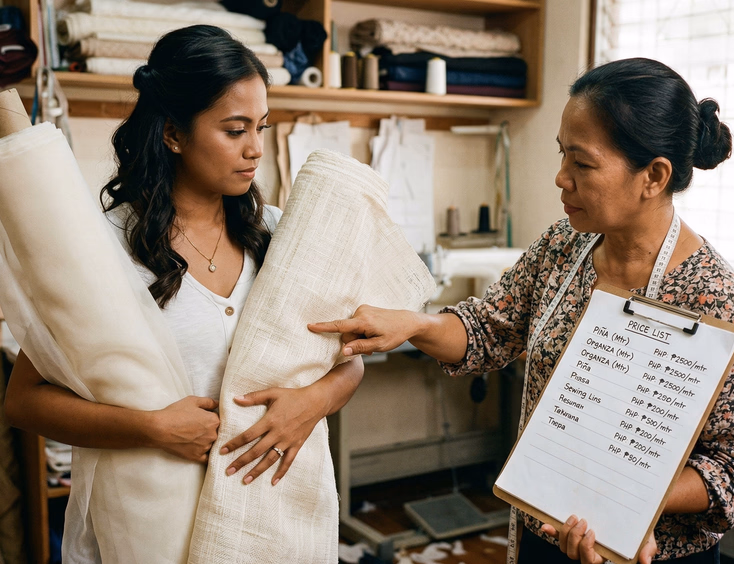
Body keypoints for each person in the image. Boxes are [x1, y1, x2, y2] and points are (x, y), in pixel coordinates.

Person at [309, 57, 734, 564]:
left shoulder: (714, 300)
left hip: (647, 548)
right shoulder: (564, 247)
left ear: (654, 176)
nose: (560, 178)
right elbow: (489, 329)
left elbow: (726, 465)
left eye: (582, 163)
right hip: (544, 529)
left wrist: (625, 502)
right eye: (562, 156)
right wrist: (413, 324)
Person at [4, 24, 363, 556]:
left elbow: (349, 357)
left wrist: (310, 403)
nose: (256, 150)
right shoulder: (103, 249)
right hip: (150, 521)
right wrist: (151, 428)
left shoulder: (279, 235)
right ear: (173, 133)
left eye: (262, 127)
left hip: (265, 520)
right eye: (235, 130)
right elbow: (24, 401)